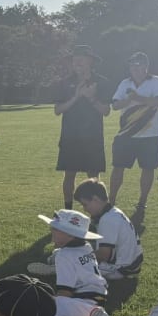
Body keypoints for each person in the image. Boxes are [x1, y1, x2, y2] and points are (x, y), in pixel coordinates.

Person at [30, 209, 117, 316]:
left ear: (70, 235)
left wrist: (54, 303)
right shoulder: (86, 247)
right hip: (97, 303)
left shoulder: (64, 256)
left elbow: (65, 292)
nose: (51, 231)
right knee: (54, 312)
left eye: (55, 229)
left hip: (83, 307)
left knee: (40, 311)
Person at [53, 46, 112, 210]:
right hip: (70, 137)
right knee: (69, 174)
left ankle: (98, 211)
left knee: (94, 176)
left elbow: (106, 111)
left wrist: (91, 98)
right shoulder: (64, 83)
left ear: (91, 61)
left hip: (93, 137)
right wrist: (76, 97)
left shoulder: (101, 82)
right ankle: (68, 211)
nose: (77, 62)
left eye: (82, 58)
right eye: (75, 59)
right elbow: (58, 110)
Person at [109, 52, 158, 211]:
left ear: (146, 67)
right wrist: (129, 100)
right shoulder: (124, 83)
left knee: (148, 169)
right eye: (132, 65)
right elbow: (115, 105)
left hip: (150, 134)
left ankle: (142, 202)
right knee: (118, 167)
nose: (134, 68)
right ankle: (111, 200)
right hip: (126, 134)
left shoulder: (156, 81)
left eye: (138, 64)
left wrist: (138, 98)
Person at [72, 179, 143, 280]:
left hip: (121, 269)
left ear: (96, 199)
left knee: (73, 264)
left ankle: (53, 268)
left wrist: (81, 258)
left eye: (85, 204)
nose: (84, 209)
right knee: (78, 252)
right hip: (133, 263)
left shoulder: (107, 220)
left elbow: (104, 255)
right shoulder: (113, 212)